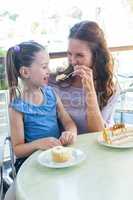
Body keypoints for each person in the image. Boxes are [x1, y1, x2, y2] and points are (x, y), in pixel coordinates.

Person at [6, 41, 77, 169]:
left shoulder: (51, 94)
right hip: (31, 163)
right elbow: (18, 149)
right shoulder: (16, 107)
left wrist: (70, 133)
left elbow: (68, 122)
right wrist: (39, 144)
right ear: (25, 72)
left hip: (55, 157)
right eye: (44, 67)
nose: (48, 71)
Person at [50, 21, 120, 134]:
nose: (72, 61)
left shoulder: (109, 87)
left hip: (97, 145)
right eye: (69, 54)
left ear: (96, 56)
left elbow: (97, 133)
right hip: (65, 148)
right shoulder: (55, 82)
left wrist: (90, 90)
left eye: (79, 55)